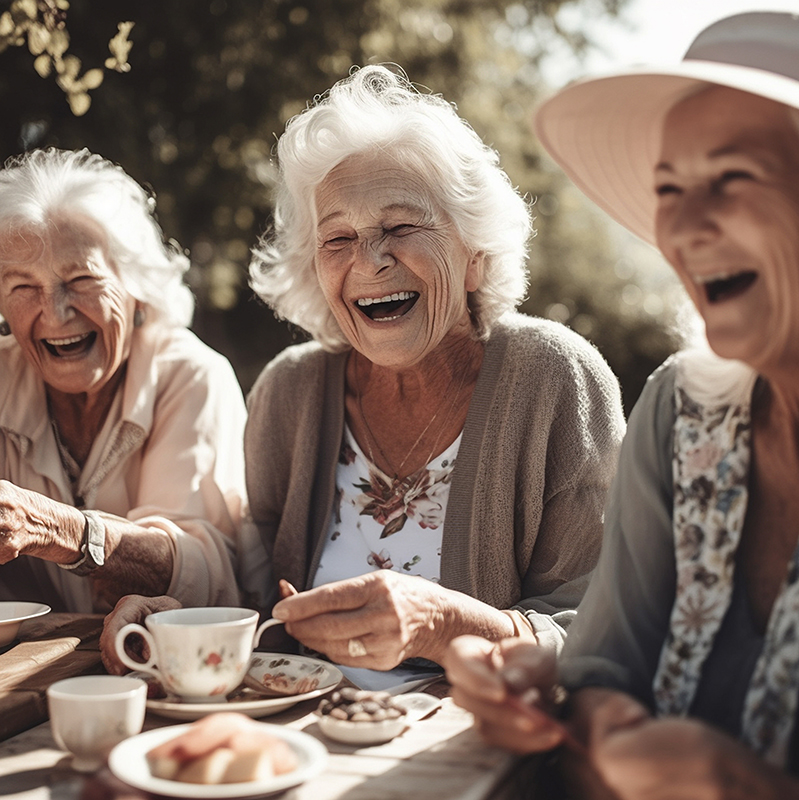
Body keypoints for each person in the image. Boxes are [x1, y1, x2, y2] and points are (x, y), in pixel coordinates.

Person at [444, 10, 799, 797]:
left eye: (732, 178)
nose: (680, 223)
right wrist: (562, 704)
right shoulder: (683, 410)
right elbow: (605, 669)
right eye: (668, 188)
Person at [236, 63, 624, 684]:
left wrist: (445, 627)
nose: (370, 259)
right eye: (338, 239)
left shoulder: (555, 377)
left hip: (474, 756)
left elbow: (601, 624)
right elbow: (248, 587)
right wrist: (176, 614)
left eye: (400, 226)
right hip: (299, 743)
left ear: (474, 255)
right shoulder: (290, 391)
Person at [0, 148, 246, 614]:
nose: (56, 313)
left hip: (156, 672)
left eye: (81, 278)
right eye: (23, 287)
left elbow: (201, 576)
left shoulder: (190, 375)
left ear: (138, 289)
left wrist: (55, 529)